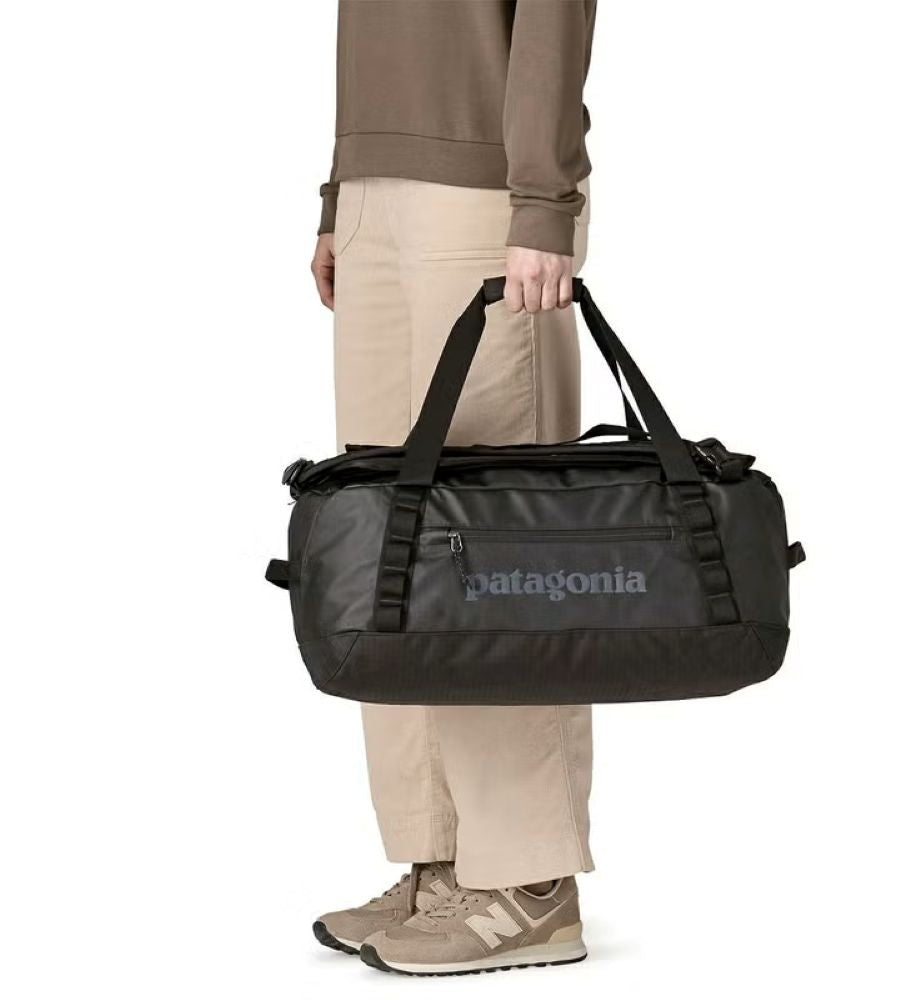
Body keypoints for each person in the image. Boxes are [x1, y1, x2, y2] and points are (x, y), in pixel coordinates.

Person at [309, 0, 597, 976]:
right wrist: (340, 194)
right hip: (375, 189)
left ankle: (530, 880)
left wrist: (543, 204)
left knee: (494, 552)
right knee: (389, 544)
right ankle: (443, 864)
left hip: (484, 191)